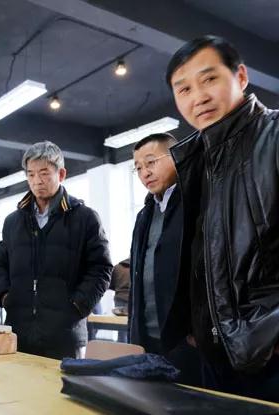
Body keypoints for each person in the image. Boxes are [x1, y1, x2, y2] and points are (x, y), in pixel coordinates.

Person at [166, 35, 279, 401]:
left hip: (269, 358)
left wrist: (269, 335)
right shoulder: (196, 162)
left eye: (209, 79)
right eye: (184, 89)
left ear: (241, 76)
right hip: (215, 355)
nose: (198, 97)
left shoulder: (273, 137)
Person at [0, 140, 112, 359]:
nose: (37, 181)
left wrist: (77, 306)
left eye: (44, 173)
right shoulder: (13, 222)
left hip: (64, 336)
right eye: (31, 174)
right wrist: (5, 297)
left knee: (63, 383)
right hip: (18, 332)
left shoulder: (85, 218)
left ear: (61, 174)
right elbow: (0, 265)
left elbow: (101, 268)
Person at [128, 133, 186, 354]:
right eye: (138, 168)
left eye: (151, 162)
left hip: (184, 338)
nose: (145, 173)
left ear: (176, 157)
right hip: (146, 336)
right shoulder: (144, 215)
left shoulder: (193, 203)